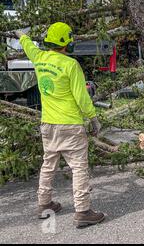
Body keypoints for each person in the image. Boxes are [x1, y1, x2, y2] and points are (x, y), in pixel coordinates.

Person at [15, 23, 105, 228]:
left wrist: (21, 36)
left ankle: (44, 204)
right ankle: (83, 211)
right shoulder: (70, 65)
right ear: (66, 42)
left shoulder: (39, 58)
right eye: (70, 39)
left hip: (48, 123)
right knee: (79, 167)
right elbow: (82, 98)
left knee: (48, 165)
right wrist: (93, 118)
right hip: (70, 124)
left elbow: (29, 46)